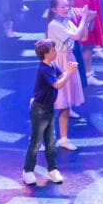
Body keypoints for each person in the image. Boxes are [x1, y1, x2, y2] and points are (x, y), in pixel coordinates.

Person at [22, 38, 77, 185]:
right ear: (46, 54)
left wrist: (68, 71)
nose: (56, 52)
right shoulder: (44, 69)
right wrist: (70, 73)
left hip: (48, 108)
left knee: (51, 141)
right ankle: (27, 171)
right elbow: (58, 84)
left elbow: (60, 76)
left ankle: (52, 170)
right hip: (39, 110)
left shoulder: (52, 64)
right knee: (36, 142)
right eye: (53, 50)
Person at [45, 0, 92, 151]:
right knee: (52, 103)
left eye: (67, 6)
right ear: (54, 9)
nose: (67, 8)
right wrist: (84, 17)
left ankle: (63, 139)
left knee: (65, 103)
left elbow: (83, 36)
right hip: (59, 62)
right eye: (63, 6)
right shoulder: (54, 25)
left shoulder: (67, 21)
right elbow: (76, 36)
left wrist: (86, 21)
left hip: (69, 58)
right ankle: (40, 137)